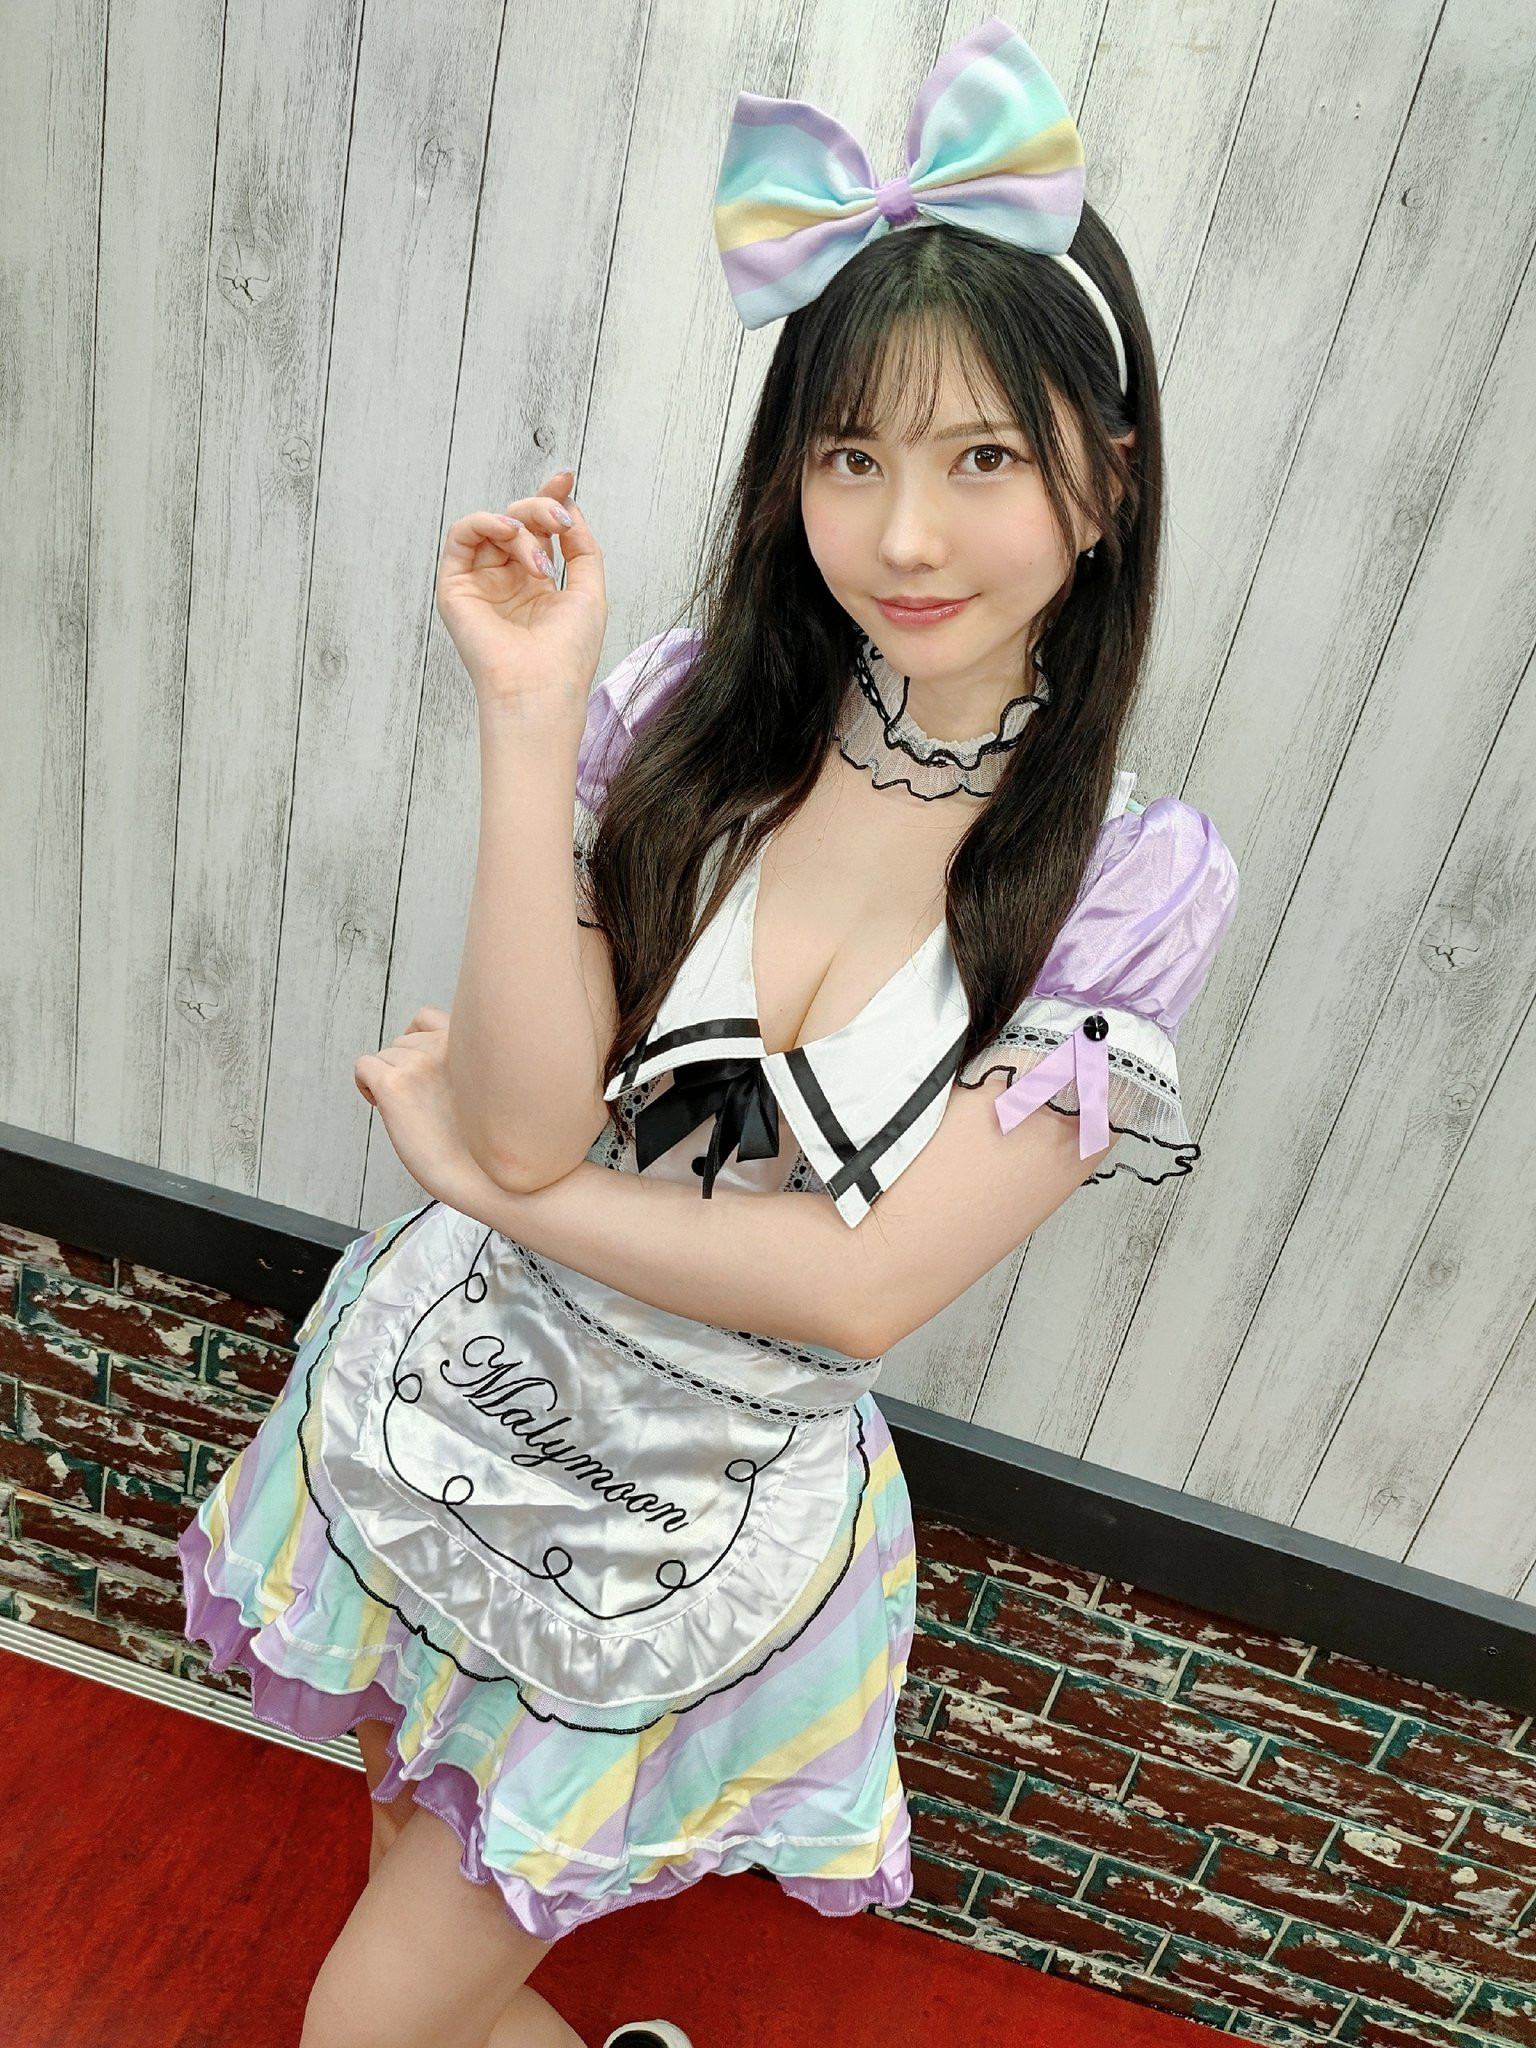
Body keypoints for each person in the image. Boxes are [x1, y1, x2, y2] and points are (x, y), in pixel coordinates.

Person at [177, 19, 1238, 2048]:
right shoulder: (682, 717)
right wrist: (525, 715)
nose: (903, 536)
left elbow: (858, 1290)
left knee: (364, 2020)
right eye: (852, 456)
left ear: (1107, 484)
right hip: (460, 1400)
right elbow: (528, 1110)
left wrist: (494, 1184)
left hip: (696, 1515)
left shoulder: (1124, 886)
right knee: (422, 1895)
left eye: (982, 458)